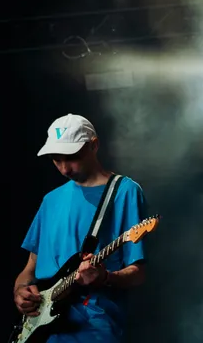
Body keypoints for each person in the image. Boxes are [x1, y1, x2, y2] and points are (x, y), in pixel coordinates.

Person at [13, 113, 148, 342]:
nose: (64, 169)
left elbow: (138, 273)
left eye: (72, 157)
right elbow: (30, 268)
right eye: (56, 160)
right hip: (40, 331)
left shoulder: (124, 191)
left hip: (93, 330)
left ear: (94, 145)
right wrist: (20, 292)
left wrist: (105, 277)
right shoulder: (50, 200)